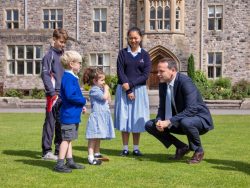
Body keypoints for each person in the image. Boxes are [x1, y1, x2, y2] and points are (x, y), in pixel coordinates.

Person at [145, 58, 214, 164]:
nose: (158, 74)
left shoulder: (185, 82)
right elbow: (162, 107)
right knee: (150, 125)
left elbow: (192, 109)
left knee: (186, 122)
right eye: (158, 71)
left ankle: (198, 151)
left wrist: (168, 121)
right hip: (180, 120)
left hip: (199, 120)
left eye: (161, 71)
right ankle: (181, 147)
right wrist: (159, 121)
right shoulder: (163, 84)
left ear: (172, 70)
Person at [114, 27, 152, 156]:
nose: (133, 40)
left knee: (136, 119)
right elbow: (120, 72)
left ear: (140, 38)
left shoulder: (145, 55)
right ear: (128, 39)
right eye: (131, 38)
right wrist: (128, 88)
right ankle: (125, 148)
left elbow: (145, 75)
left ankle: (136, 148)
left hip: (139, 91)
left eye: (136, 38)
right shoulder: (122, 53)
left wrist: (131, 85)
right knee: (124, 118)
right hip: (123, 89)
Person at [54, 51, 86, 173]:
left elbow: (72, 96)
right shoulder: (68, 78)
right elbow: (70, 95)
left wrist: (80, 106)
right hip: (68, 115)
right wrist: (83, 101)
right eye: (79, 63)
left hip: (72, 114)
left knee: (69, 139)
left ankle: (70, 161)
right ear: (72, 64)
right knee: (66, 140)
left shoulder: (72, 77)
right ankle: (60, 164)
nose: (80, 65)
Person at [41, 28, 69, 160]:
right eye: (61, 41)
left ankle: (59, 150)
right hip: (53, 95)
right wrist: (52, 92)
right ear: (54, 39)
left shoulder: (65, 56)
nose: (63, 44)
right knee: (50, 123)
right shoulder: (49, 56)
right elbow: (45, 75)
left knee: (61, 123)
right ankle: (46, 151)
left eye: (64, 42)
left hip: (63, 94)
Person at [83, 68, 115, 165]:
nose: (104, 82)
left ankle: (97, 153)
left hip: (103, 116)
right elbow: (104, 98)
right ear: (94, 81)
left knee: (98, 136)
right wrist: (106, 90)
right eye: (102, 80)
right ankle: (90, 156)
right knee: (93, 137)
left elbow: (109, 100)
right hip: (97, 117)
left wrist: (107, 90)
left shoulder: (101, 89)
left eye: (104, 80)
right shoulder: (94, 90)